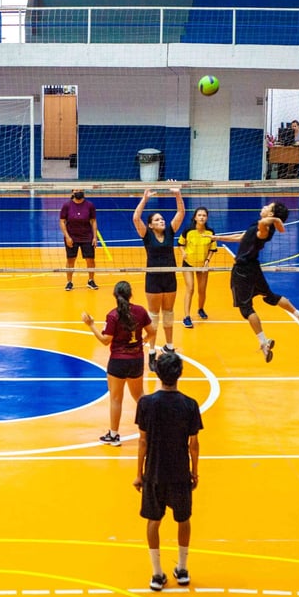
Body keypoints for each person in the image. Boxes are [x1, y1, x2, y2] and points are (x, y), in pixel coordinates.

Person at [212, 201, 299, 362]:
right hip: (253, 267)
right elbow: (241, 237)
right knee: (270, 297)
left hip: (242, 271)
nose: (263, 206)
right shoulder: (258, 225)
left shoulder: (264, 230)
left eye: (267, 207)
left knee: (246, 308)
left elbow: (263, 225)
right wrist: (216, 237)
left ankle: (264, 342)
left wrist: (276, 221)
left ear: (270, 214)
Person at [134, 350, 201, 591]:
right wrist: (195, 471)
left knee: (154, 519)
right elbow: (193, 444)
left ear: (157, 373)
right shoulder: (190, 405)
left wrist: (138, 473)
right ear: (179, 374)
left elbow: (142, 441)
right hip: (180, 471)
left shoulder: (146, 404)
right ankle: (182, 569)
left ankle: (156, 574)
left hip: (154, 471)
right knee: (183, 519)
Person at [82, 280, 156, 447]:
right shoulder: (140, 311)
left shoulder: (113, 315)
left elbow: (105, 340)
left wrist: (91, 325)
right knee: (140, 397)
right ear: (130, 295)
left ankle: (114, 436)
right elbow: (152, 332)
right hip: (136, 360)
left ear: (115, 296)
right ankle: (154, 427)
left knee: (116, 399)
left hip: (118, 362)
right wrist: (141, 342)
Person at [132, 187, 185, 370]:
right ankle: (152, 352)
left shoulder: (170, 231)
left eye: (162, 218)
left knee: (169, 314)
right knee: (153, 317)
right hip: (153, 278)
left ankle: (169, 347)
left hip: (170, 277)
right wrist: (144, 198)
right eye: (157, 219)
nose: (161, 221)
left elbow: (181, 212)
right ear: (151, 225)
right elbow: (136, 218)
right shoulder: (146, 235)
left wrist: (177, 194)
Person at [178, 206, 217, 328]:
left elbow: (212, 248)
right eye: (199, 215)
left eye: (204, 215)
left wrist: (207, 260)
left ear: (207, 218)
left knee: (202, 290)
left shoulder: (210, 232)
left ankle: (200, 309)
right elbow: (180, 244)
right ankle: (187, 317)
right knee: (190, 288)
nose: (202, 217)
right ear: (195, 217)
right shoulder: (188, 230)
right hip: (188, 263)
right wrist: (183, 252)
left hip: (202, 265)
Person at [60, 187, 98, 291]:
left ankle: (91, 281)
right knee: (70, 260)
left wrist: (94, 237)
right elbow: (62, 221)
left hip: (87, 237)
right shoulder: (67, 205)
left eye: (80, 190)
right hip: (72, 237)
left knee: (90, 260)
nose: (78, 192)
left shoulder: (89, 205)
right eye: (76, 190)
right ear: (72, 191)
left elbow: (93, 221)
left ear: (83, 191)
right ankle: (69, 282)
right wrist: (67, 237)